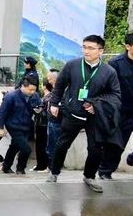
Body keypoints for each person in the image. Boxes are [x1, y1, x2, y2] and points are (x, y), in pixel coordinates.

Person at [47, 34, 122, 193]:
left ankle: (89, 176)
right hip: (72, 112)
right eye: (84, 47)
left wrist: (97, 105)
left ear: (100, 51)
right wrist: (54, 103)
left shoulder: (109, 72)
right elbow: (60, 85)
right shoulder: (72, 65)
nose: (86, 51)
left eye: (91, 48)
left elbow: (115, 95)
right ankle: (54, 172)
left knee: (96, 149)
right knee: (62, 144)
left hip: (94, 117)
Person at [98, 32, 133, 179]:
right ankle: (105, 171)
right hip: (121, 112)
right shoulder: (115, 64)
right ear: (128, 46)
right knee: (116, 145)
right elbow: (106, 88)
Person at [0, 75, 41, 174]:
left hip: (26, 125)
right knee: (26, 149)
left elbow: (39, 107)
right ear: (23, 86)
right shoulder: (11, 96)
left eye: (34, 90)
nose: (32, 92)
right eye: (30, 89)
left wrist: (38, 110)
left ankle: (6, 166)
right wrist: (0, 127)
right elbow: (2, 112)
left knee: (15, 146)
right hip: (13, 126)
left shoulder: (35, 96)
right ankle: (20, 169)